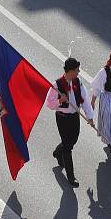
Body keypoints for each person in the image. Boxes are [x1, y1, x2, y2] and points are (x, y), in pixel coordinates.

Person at [45, 57, 93, 187]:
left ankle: (57, 152)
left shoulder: (78, 82)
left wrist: (90, 116)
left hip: (74, 116)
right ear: (70, 71)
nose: (78, 72)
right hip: (62, 118)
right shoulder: (56, 85)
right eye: (76, 70)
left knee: (73, 140)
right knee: (68, 146)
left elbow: (85, 99)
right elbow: (49, 104)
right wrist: (60, 100)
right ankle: (71, 177)